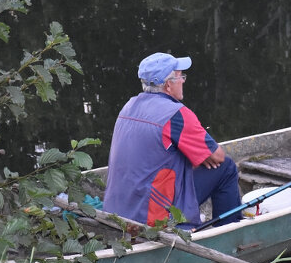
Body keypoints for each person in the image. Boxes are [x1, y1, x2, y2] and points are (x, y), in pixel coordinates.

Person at [103, 52, 242, 228]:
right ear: (168, 85)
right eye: (180, 76)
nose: (183, 81)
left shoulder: (128, 107)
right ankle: (229, 233)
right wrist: (198, 157)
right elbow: (217, 156)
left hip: (117, 213)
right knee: (226, 167)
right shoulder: (176, 114)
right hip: (152, 218)